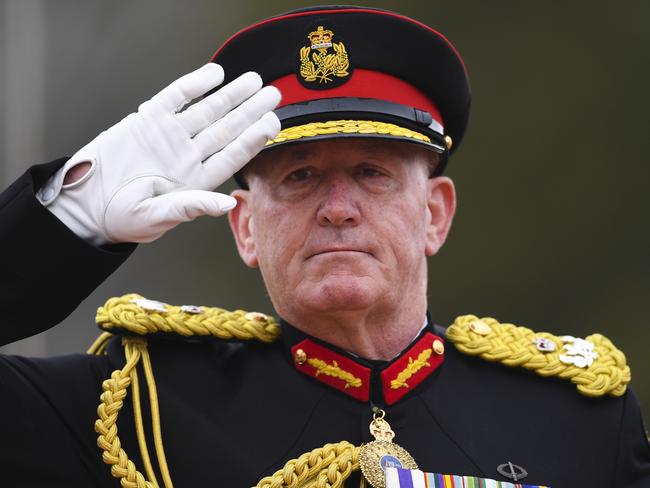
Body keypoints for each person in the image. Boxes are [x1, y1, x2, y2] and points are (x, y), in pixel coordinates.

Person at [0, 5, 648, 488]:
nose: (338, 210)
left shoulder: (579, 419)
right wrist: (65, 218)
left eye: (373, 173)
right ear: (245, 227)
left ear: (435, 214)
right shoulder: (137, 411)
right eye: (300, 177)